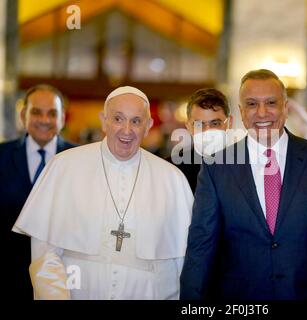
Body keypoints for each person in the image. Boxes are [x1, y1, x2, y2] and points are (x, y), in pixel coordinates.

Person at [180, 69, 307, 300]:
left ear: (285, 107)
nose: (262, 113)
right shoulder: (216, 168)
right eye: (252, 104)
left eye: (271, 102)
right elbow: (200, 249)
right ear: (241, 112)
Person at [13, 86, 193, 300]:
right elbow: (45, 257)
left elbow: (178, 266)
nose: (126, 130)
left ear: (148, 126)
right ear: (103, 120)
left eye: (136, 121)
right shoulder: (65, 166)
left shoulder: (171, 179)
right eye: (118, 119)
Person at [0, 84, 76, 300]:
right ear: (23, 115)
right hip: (8, 274)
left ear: (62, 118)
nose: (44, 120)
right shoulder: (2, 156)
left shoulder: (78, 160)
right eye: (36, 112)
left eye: (52, 113)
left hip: (61, 277)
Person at [170, 88, 232, 192]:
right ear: (188, 126)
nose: (207, 131)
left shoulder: (245, 167)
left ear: (229, 123)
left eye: (215, 123)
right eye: (199, 124)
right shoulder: (171, 169)